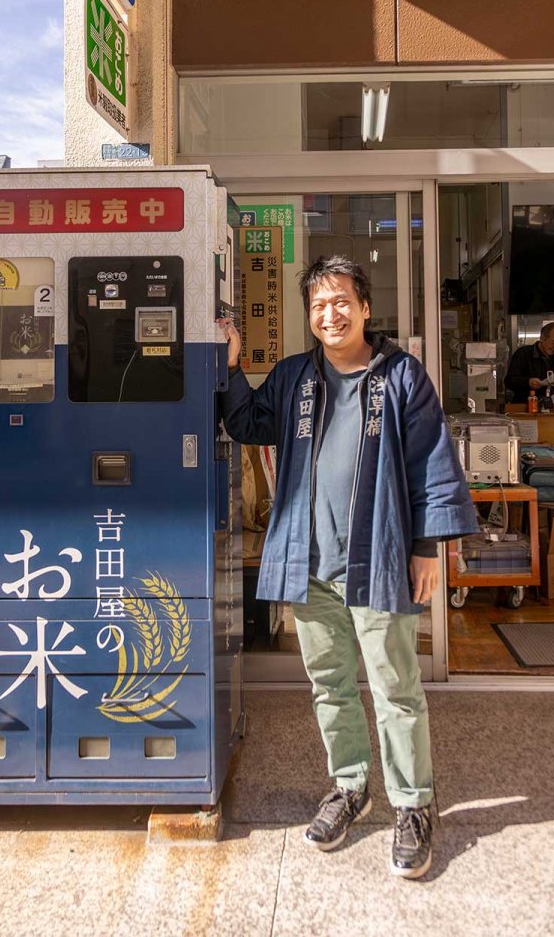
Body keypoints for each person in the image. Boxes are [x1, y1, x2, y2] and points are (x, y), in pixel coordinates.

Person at [217, 255, 477, 879]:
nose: (328, 314)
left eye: (340, 302)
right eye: (317, 305)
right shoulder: (294, 378)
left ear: (364, 308)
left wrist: (426, 549)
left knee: (395, 687)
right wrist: (228, 368)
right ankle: (350, 785)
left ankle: (413, 805)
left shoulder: (401, 377)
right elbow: (248, 422)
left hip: (378, 558)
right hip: (309, 563)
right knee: (329, 684)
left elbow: (431, 464)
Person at [504, 322, 554, 402]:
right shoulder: (523, 354)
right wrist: (528, 382)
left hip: (553, 406)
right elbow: (509, 381)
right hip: (525, 405)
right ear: (542, 338)